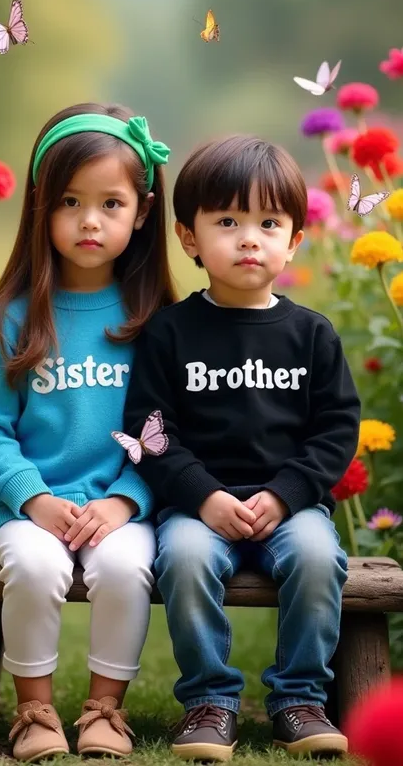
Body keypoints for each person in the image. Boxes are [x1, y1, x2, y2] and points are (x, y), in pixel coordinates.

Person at [123, 135, 360, 761]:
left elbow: (336, 429)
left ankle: (299, 699)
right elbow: (151, 434)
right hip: (199, 508)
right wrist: (203, 497)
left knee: (316, 558)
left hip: (292, 507)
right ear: (188, 236)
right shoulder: (170, 332)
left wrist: (285, 498)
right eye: (227, 221)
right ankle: (209, 701)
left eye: (268, 222)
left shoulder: (311, 335)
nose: (249, 237)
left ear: (295, 239)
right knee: (184, 559)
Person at [0, 102, 175, 763]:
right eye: (71, 203)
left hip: (121, 504)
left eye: (110, 204)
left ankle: (105, 711)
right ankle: (33, 712)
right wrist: (35, 499)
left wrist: (125, 500)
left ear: (141, 212)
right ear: (40, 208)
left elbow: (167, 434)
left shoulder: (158, 322)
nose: (89, 221)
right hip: (29, 507)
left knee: (125, 565)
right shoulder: (13, 320)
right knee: (33, 563)